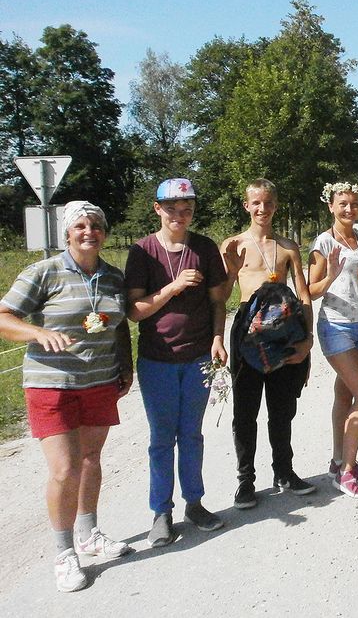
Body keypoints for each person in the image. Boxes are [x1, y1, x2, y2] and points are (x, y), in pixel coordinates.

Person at [0, 202, 133, 592]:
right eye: (80, 226)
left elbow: (119, 326)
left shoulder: (113, 276)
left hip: (99, 382)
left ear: (104, 232)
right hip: (51, 385)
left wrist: (125, 365)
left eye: (96, 225)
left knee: (91, 460)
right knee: (65, 469)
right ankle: (64, 554)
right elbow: (4, 317)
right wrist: (39, 333)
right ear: (67, 233)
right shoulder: (43, 272)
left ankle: (88, 534)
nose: (89, 232)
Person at [125, 178, 229, 546]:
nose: (179, 215)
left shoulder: (204, 248)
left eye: (186, 209)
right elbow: (135, 311)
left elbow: (218, 301)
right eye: (171, 208)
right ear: (158, 209)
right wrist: (173, 287)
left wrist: (218, 338)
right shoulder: (143, 252)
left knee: (191, 435)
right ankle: (161, 512)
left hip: (199, 356)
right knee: (161, 439)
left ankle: (195, 504)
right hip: (158, 360)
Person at [219, 179, 315, 510]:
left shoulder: (287, 247)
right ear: (246, 206)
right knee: (245, 411)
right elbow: (220, 298)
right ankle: (246, 480)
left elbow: (303, 295)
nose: (263, 209)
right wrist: (230, 272)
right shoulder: (233, 245)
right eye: (256, 203)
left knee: (282, 408)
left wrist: (307, 340)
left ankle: (284, 471)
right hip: (246, 333)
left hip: (284, 332)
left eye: (269, 202)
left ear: (276, 205)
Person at [308, 181, 358, 498]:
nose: (349, 209)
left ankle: (338, 460)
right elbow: (309, 291)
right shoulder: (323, 243)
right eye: (343, 204)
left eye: (354, 204)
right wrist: (330, 275)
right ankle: (347, 473)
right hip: (337, 327)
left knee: (344, 393)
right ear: (331, 206)